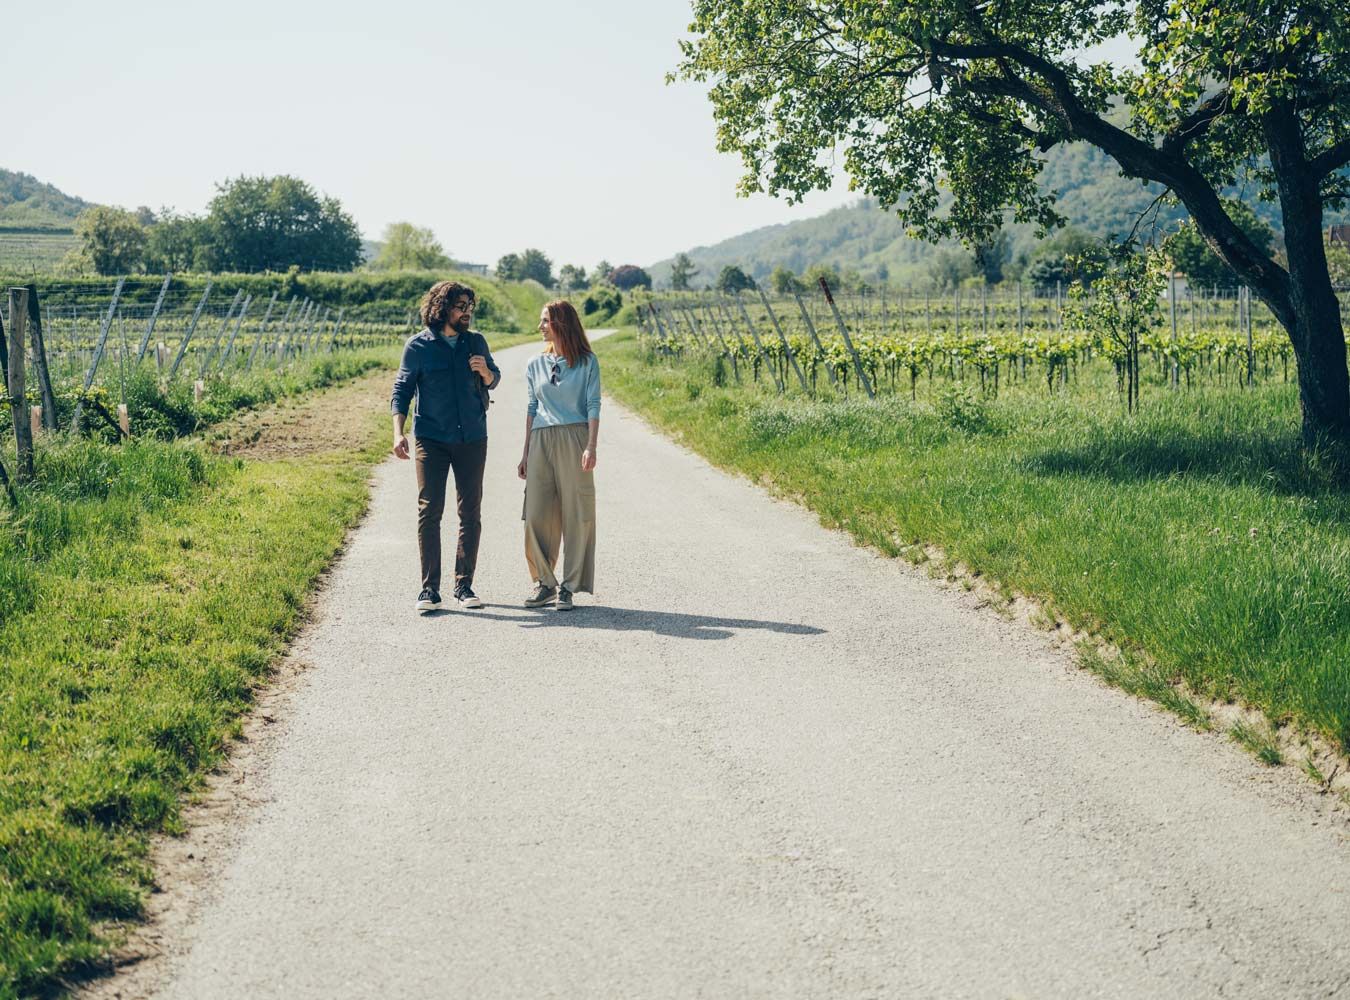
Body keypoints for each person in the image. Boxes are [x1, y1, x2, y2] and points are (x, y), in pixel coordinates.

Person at [391, 281, 500, 613]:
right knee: (430, 511)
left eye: (470, 306)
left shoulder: (476, 341)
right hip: (431, 439)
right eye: (460, 306)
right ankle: (429, 590)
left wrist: (485, 372)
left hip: (472, 438)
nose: (467, 312)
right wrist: (398, 433)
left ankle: (464, 585)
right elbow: (401, 391)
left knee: (470, 512)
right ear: (442, 308)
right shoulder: (418, 347)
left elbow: (495, 378)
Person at [517, 300, 600, 611]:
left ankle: (569, 586)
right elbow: (531, 408)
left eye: (545, 321)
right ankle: (545, 583)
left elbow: (593, 405)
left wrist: (591, 445)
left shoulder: (587, 362)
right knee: (536, 514)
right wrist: (525, 452)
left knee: (576, 512)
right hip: (540, 439)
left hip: (575, 436)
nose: (540, 327)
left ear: (561, 324)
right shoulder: (533, 364)